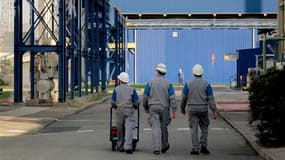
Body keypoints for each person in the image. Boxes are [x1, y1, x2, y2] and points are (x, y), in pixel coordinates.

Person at [180, 64, 218, 155]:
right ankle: (203, 146)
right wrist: (214, 110)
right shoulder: (206, 84)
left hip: (192, 108)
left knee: (194, 128)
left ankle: (195, 148)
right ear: (202, 73)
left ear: (193, 73)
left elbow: (184, 97)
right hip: (203, 108)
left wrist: (182, 107)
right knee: (204, 127)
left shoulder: (188, 84)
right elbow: (210, 98)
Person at [143, 63, 177, 155]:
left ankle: (156, 148)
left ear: (157, 71)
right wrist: (174, 110)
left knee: (155, 128)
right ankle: (165, 145)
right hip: (165, 107)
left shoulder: (150, 83)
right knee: (164, 127)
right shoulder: (168, 84)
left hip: (153, 107)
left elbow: (145, 96)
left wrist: (145, 107)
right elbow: (172, 97)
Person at [111, 72, 140, 154]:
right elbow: (136, 101)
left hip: (119, 111)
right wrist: (135, 106)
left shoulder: (116, 89)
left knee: (120, 129)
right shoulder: (132, 89)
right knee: (129, 128)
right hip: (129, 111)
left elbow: (112, 101)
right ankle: (128, 146)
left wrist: (114, 106)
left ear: (120, 80)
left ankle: (120, 145)